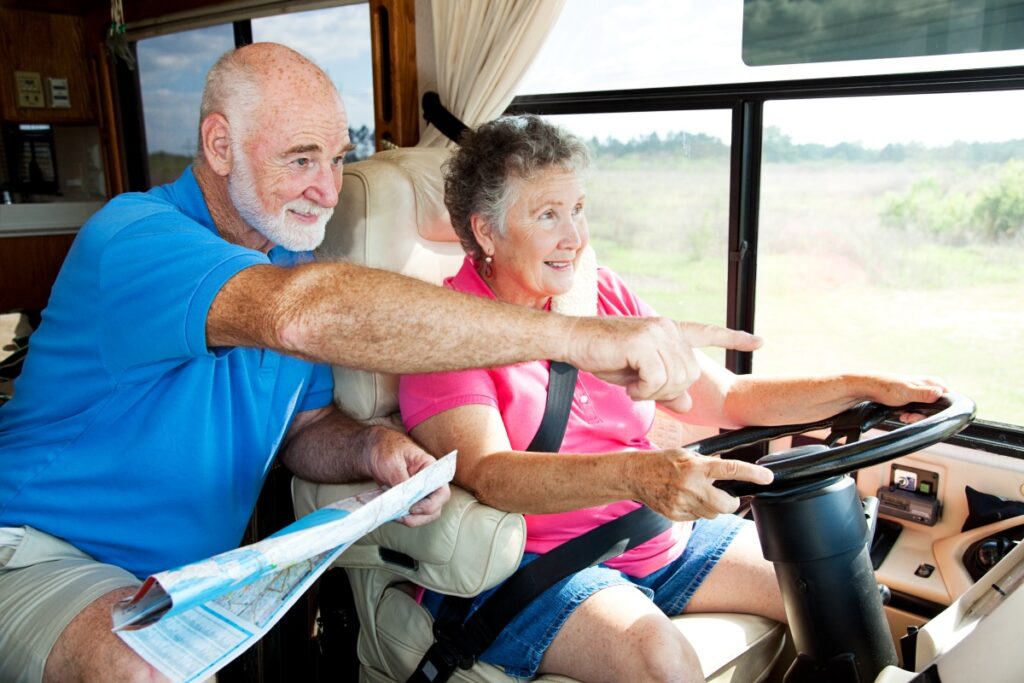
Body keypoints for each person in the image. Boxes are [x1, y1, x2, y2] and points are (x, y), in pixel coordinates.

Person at [0, 45, 763, 683]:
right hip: (44, 548)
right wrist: (576, 337)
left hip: (185, 579)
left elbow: (302, 428)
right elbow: (297, 312)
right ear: (220, 145)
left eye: (336, 159)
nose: (327, 189)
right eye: (301, 159)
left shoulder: (281, 256)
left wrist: (372, 447)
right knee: (137, 666)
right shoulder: (137, 239)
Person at [398, 115, 949, 683]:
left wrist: (860, 385)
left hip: (659, 536)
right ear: (486, 231)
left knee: (831, 588)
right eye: (547, 215)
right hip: (539, 567)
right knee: (663, 660)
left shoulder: (601, 292)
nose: (575, 237)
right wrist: (638, 474)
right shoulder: (446, 335)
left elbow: (729, 398)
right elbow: (493, 476)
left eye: (578, 209)